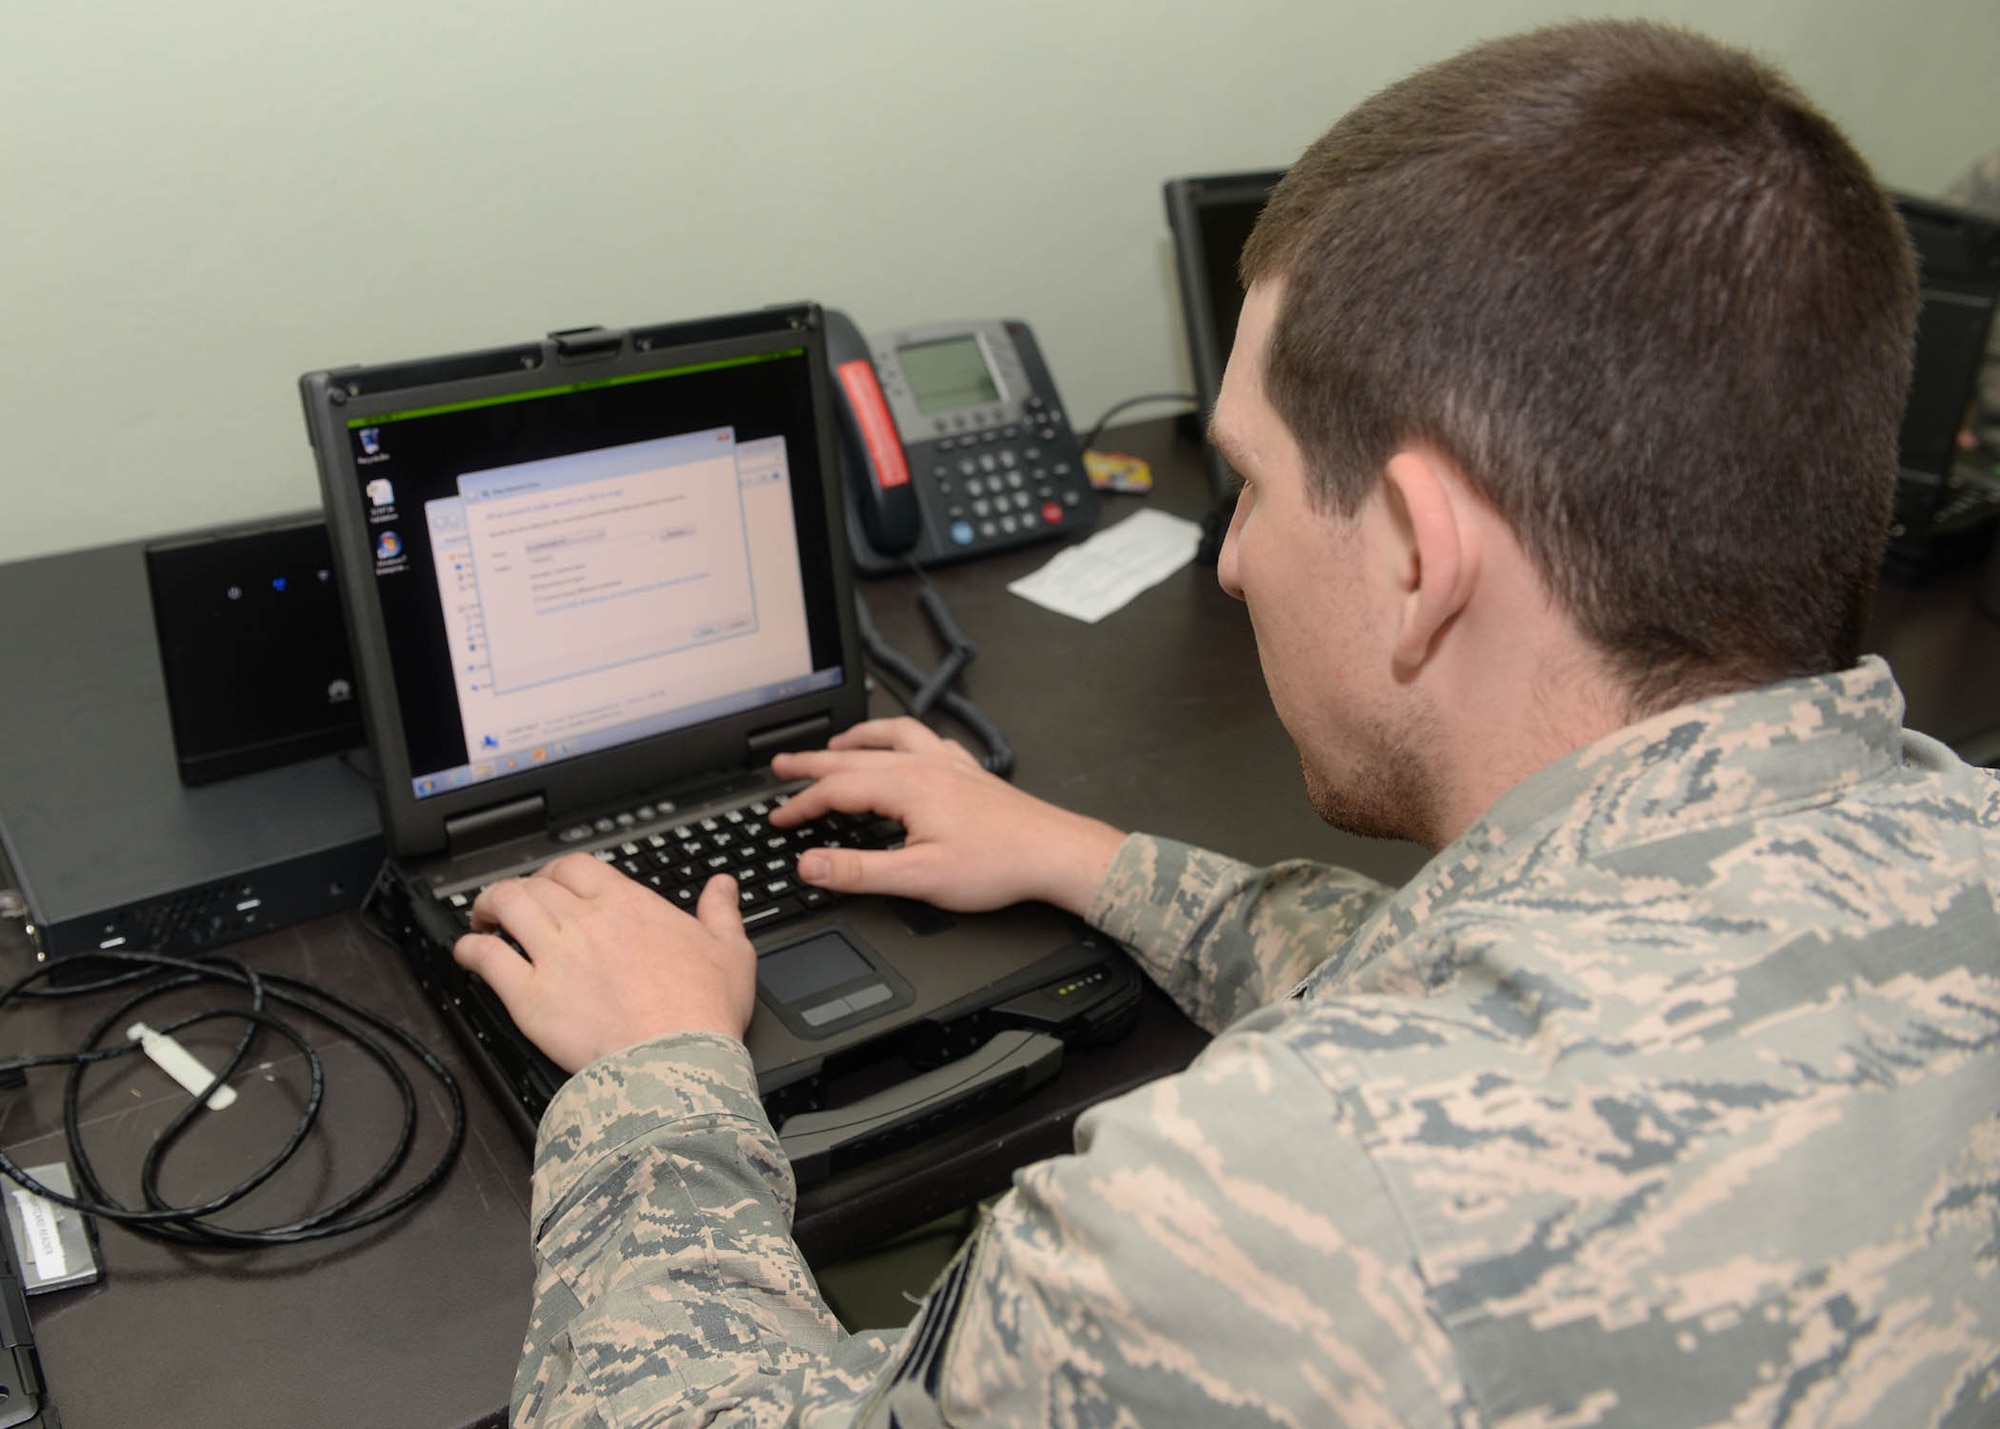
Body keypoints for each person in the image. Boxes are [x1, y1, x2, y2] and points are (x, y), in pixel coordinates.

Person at [455, 19, 2000, 1427]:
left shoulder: (1246, 1223)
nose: (1235, 549)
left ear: (1416, 555)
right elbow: (1511, 969)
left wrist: (658, 1070)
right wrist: (1088, 857)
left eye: (1247, 480)